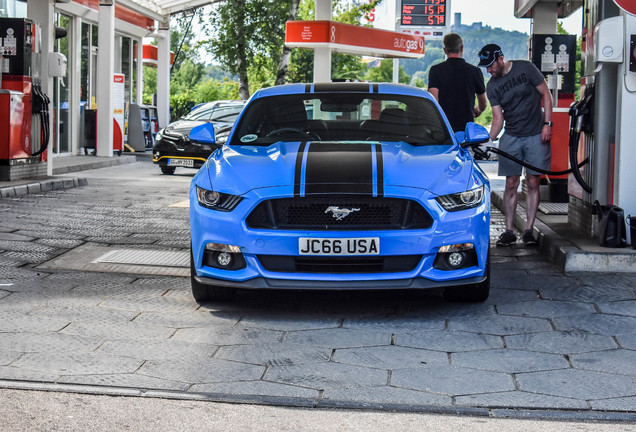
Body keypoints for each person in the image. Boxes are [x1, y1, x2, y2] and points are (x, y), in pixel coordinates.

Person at [478, 43, 553, 247]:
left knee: (532, 181)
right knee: (511, 182)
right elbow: (497, 119)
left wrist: (548, 123)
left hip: (536, 134)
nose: (488, 70)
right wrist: (487, 141)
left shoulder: (526, 68)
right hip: (511, 136)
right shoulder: (492, 86)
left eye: (490, 65)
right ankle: (509, 231)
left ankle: (529, 230)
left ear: (500, 59)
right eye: (485, 67)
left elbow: (546, 94)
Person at [428, 33, 488, 133]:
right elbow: (483, 103)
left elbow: (433, 100)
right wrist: (478, 110)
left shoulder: (436, 70)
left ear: (445, 50)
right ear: (462, 48)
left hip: (443, 130)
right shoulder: (474, 71)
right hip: (465, 130)